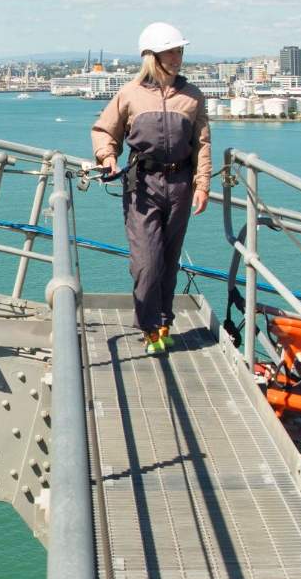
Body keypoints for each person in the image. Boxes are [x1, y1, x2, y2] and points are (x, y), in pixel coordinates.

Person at [89, 22, 211, 354]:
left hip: (181, 185)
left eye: (180, 50)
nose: (178, 56)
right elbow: (104, 130)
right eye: (171, 51)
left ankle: (163, 323)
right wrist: (107, 156)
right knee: (147, 261)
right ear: (153, 56)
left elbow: (202, 144)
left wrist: (202, 184)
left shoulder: (192, 96)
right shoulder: (129, 94)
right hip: (142, 184)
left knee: (169, 260)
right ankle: (148, 325)